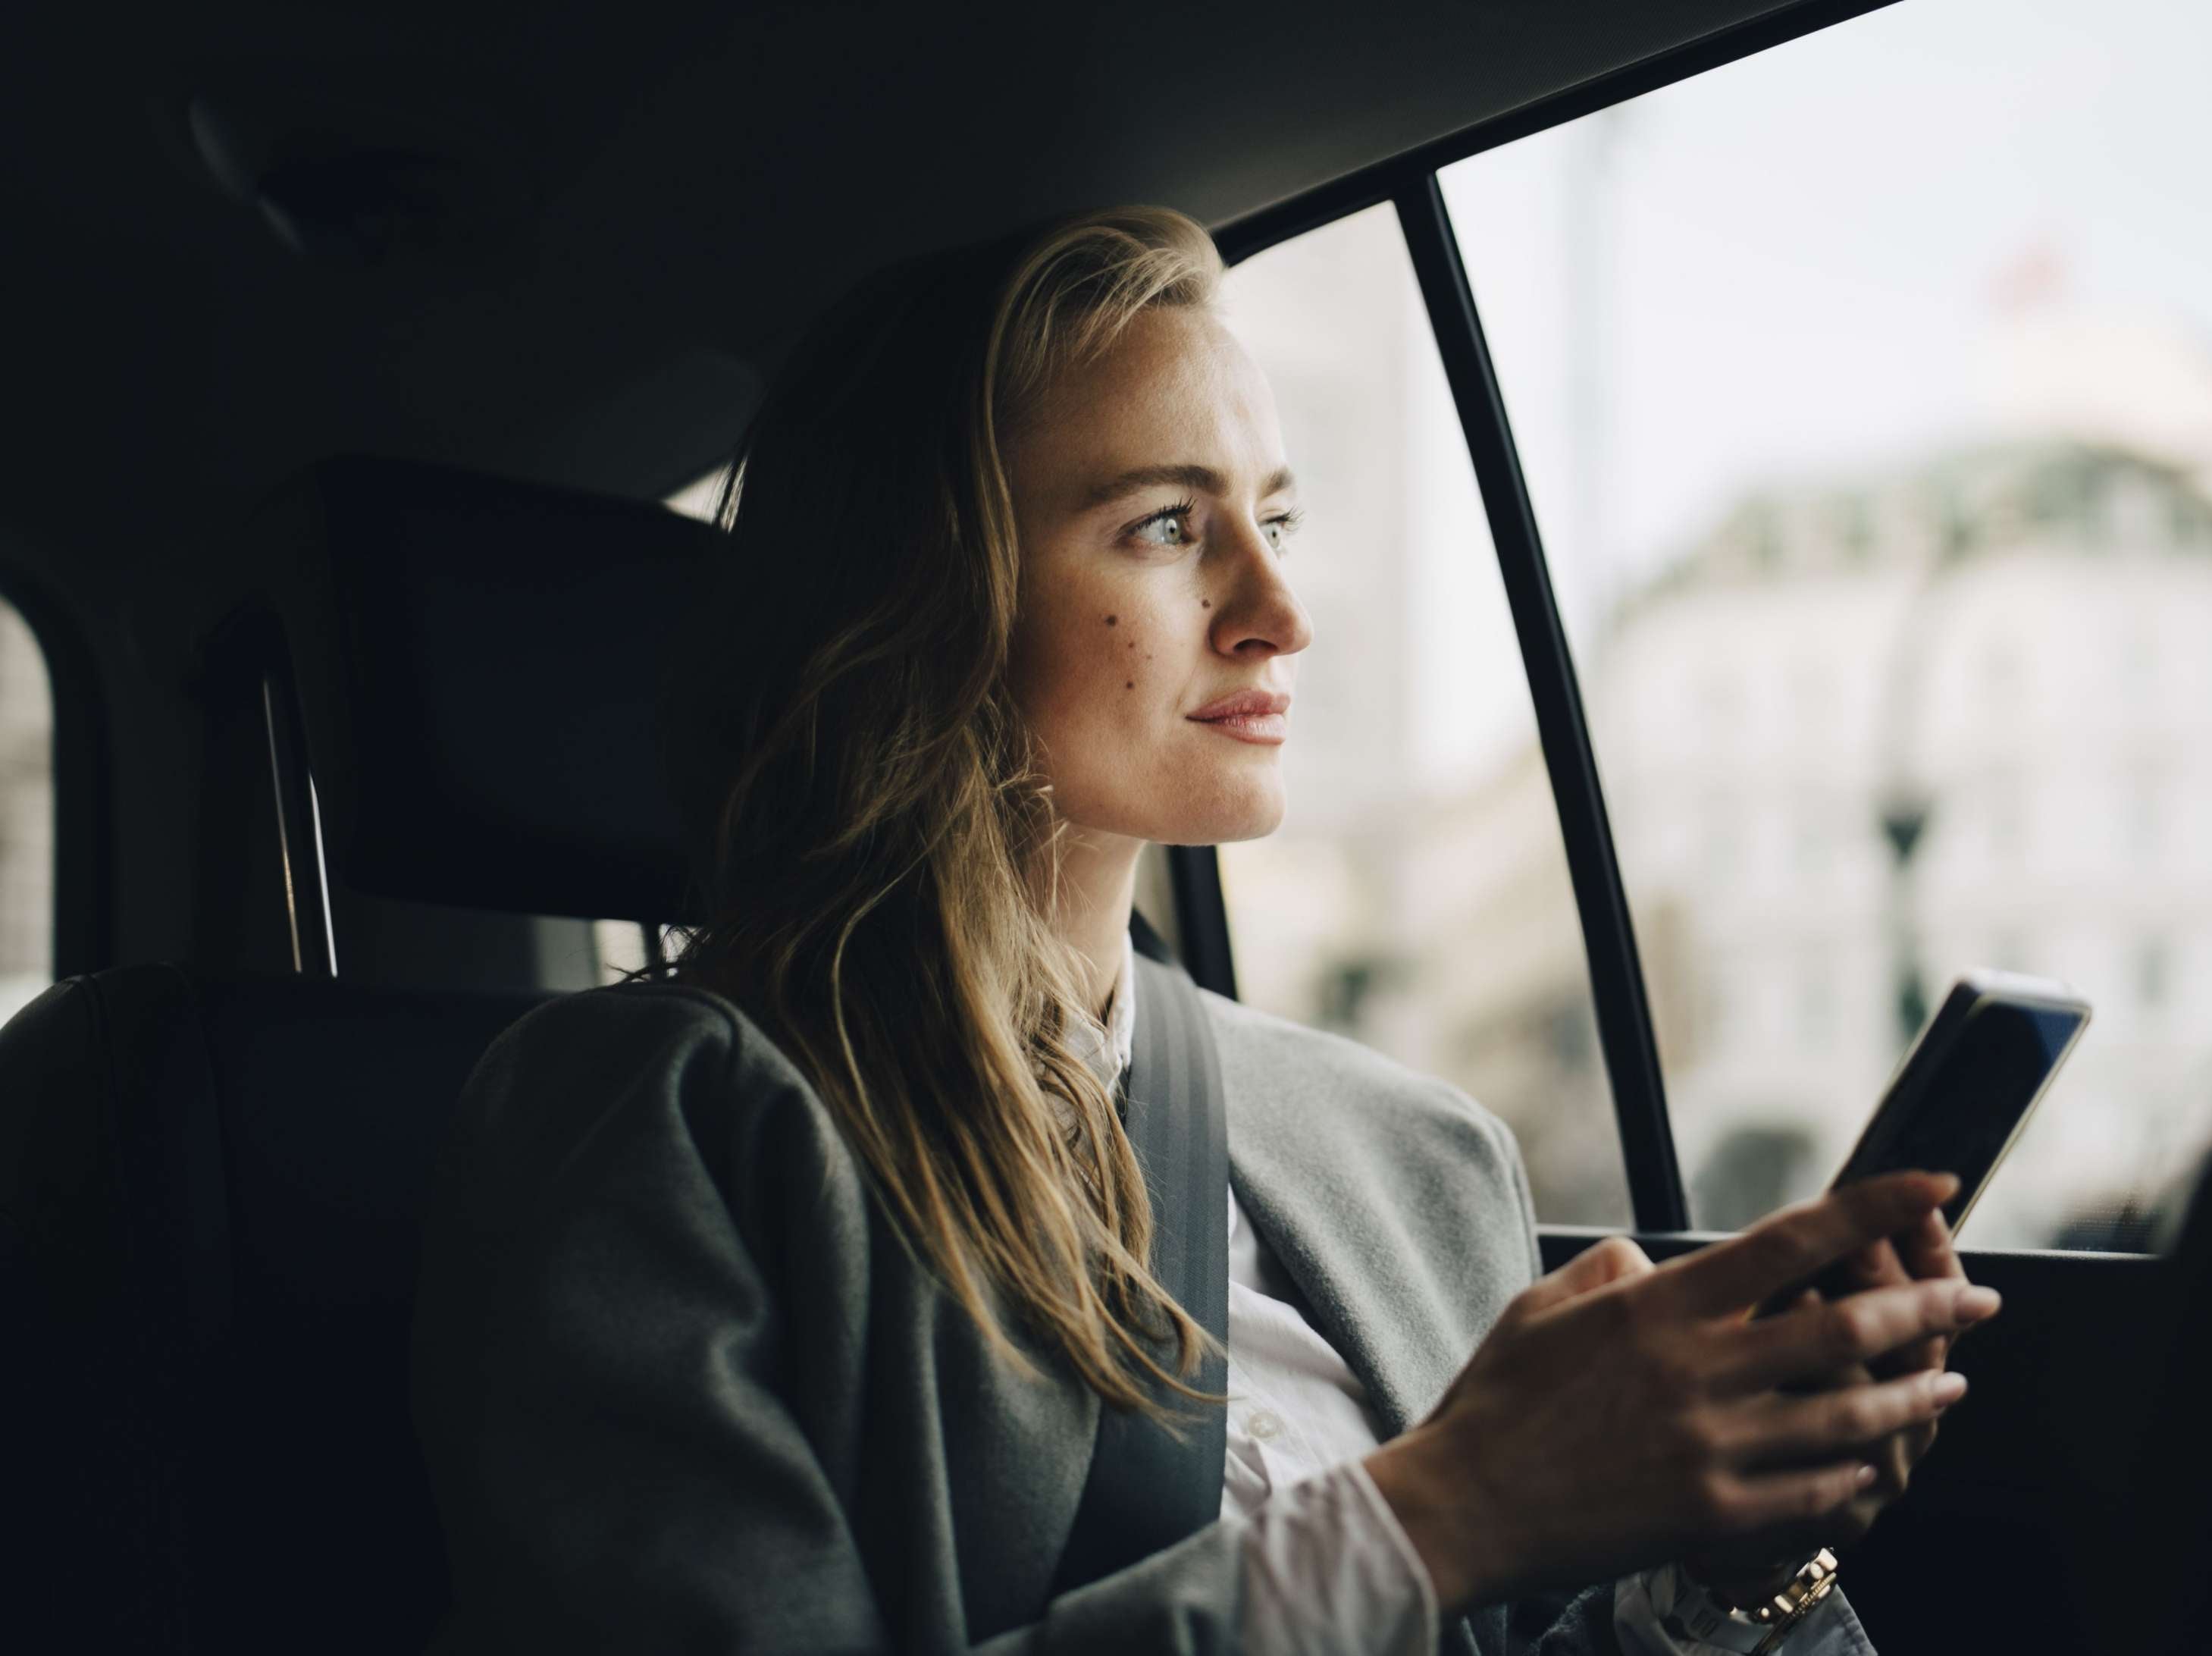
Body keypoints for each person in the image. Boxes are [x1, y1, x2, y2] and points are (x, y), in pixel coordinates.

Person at [409, 205, 1997, 1656]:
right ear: (925, 596)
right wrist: (1444, 1510)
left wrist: (1725, 1582)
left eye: (1277, 517)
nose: (1279, 611)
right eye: (1167, 526)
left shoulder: (1417, 1155)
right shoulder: (664, 1129)